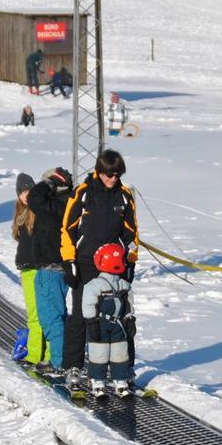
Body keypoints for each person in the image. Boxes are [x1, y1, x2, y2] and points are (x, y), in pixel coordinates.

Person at [60, 150, 139, 391]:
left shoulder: (124, 197)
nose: (112, 179)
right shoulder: (83, 193)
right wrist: (69, 261)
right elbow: (67, 229)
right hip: (86, 263)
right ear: (99, 171)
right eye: (108, 174)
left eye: (116, 175)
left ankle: (123, 367)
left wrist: (131, 261)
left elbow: (132, 234)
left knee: (120, 315)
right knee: (82, 315)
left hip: (113, 264)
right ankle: (73, 365)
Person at [27, 167, 74, 376]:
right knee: (56, 316)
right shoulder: (64, 204)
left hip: (51, 270)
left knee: (51, 317)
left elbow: (34, 197)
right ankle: (59, 358)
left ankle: (58, 362)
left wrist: (49, 182)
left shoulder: (57, 204)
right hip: (53, 269)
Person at [82, 243, 136, 398]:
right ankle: (98, 382)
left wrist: (130, 318)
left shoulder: (123, 285)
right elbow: (88, 304)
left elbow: (129, 303)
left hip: (118, 324)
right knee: (100, 353)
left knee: (120, 353)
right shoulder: (95, 285)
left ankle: (120, 381)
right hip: (99, 323)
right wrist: (91, 320)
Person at [12, 173, 47, 366]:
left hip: (36, 269)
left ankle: (35, 354)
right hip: (27, 270)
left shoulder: (36, 212)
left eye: (29, 191)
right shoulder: (21, 212)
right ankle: (43, 352)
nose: (26, 195)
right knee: (38, 314)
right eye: (23, 192)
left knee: (37, 315)